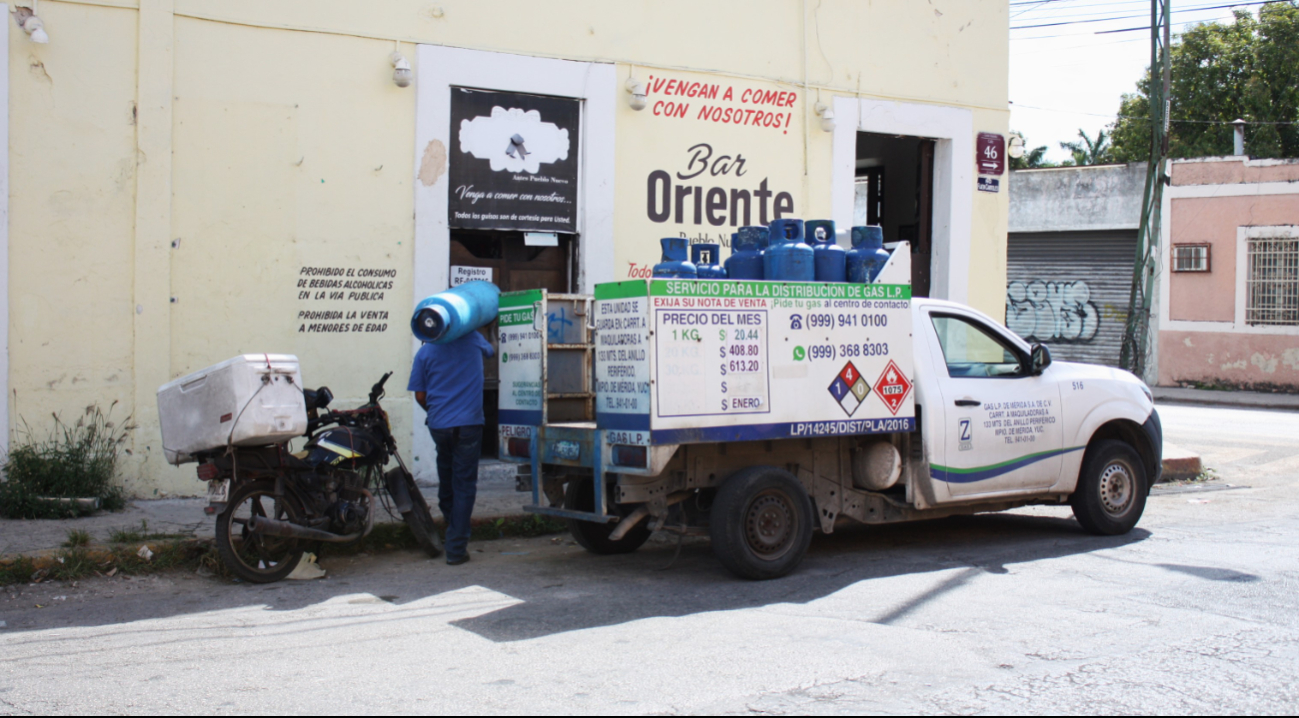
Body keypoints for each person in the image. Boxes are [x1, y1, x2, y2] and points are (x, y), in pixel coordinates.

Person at [408, 329, 494, 565]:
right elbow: (491, 351)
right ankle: (456, 546)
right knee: (464, 483)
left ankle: (452, 523)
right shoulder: (474, 339)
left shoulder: (425, 352)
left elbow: (420, 396)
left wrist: (436, 414)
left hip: (439, 425)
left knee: (447, 476)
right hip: (469, 424)